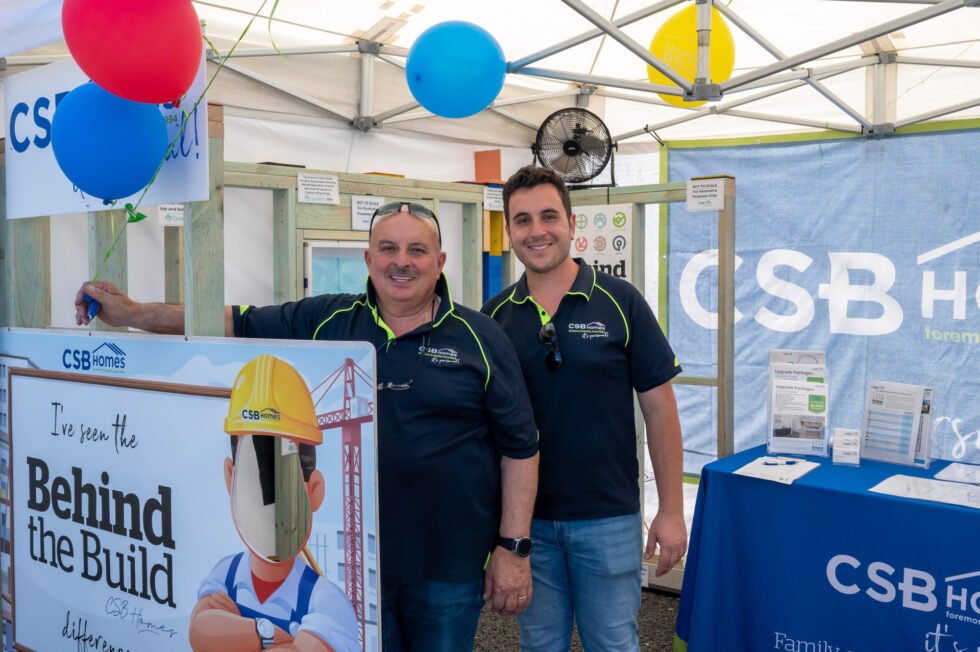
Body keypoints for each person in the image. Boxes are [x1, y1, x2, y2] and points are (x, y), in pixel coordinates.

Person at [75, 203, 540, 652]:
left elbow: (520, 449)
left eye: (417, 250)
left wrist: (513, 549)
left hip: (448, 568)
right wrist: (133, 314)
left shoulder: (481, 338)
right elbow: (233, 322)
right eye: (388, 249)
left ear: (440, 262)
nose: (401, 261)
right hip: (354, 569)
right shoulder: (327, 321)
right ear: (368, 259)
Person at [482, 165, 687, 651]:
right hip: (526, 525)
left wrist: (672, 510)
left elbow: (661, 410)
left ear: (572, 223)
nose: (537, 230)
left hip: (608, 518)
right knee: (539, 644)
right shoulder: (495, 317)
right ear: (509, 231)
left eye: (548, 216)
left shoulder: (621, 302)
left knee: (613, 644)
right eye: (523, 220)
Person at [190, 354, 359, 652]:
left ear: (314, 491)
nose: (268, 502)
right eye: (256, 476)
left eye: (282, 482)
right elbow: (201, 632)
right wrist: (268, 633)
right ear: (230, 478)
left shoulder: (326, 601)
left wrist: (234, 632)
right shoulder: (227, 572)